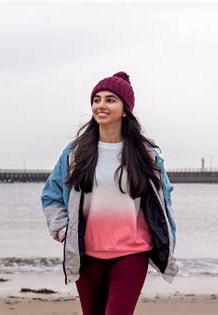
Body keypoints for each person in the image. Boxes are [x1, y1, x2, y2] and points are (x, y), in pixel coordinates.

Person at [41, 71, 178, 315]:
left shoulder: (146, 154)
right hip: (87, 255)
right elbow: (51, 195)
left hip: (132, 254)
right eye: (97, 99)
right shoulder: (75, 153)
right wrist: (63, 231)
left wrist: (166, 241)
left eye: (110, 99)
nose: (100, 105)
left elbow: (164, 201)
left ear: (125, 110)